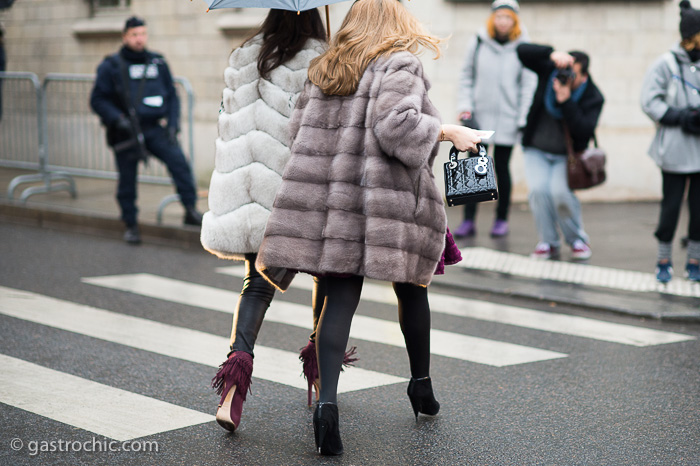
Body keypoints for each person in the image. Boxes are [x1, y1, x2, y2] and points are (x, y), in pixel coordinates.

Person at [255, 0, 479, 455]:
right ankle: (421, 386)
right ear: (395, 21)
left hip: (336, 207)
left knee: (339, 299)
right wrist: (448, 131)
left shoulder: (327, 66)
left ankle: (327, 410)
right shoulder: (400, 62)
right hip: (385, 204)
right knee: (413, 287)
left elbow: (297, 132)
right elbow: (396, 128)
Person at [202, 8, 357, 433]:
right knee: (326, 278)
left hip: (249, 197)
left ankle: (231, 391)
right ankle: (322, 376)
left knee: (257, 286)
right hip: (298, 193)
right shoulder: (323, 60)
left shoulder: (243, 56)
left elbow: (226, 122)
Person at [90, 16, 202, 245]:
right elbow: (98, 99)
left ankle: (190, 210)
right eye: (134, 34)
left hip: (154, 128)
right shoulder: (111, 65)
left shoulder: (157, 62)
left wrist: (172, 125)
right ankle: (130, 224)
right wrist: (117, 119)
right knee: (127, 180)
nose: (139, 39)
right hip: (127, 131)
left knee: (179, 163)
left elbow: (172, 96)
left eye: (142, 34)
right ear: (125, 36)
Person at [455, 0, 536, 238]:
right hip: (479, 119)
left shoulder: (523, 47)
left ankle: (501, 219)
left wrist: (522, 117)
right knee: (474, 168)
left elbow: (528, 85)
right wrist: (465, 108)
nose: (503, 21)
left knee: (502, 168)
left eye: (508, 18)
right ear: (493, 19)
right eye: (499, 17)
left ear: (515, 21)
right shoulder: (479, 42)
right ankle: (468, 221)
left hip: (509, 120)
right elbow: (466, 76)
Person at [516, 42, 604, 260]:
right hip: (536, 148)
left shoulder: (593, 96)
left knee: (560, 194)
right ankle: (548, 242)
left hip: (567, 156)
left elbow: (583, 132)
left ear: (584, 76)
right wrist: (552, 54)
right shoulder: (550, 73)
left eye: (572, 75)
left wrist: (566, 102)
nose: (566, 77)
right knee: (538, 191)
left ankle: (576, 240)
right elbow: (522, 52)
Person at [641, 0, 700, 283]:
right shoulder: (665, 63)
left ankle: (695, 261)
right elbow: (649, 100)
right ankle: (663, 259)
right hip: (675, 149)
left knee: (699, 210)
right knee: (671, 208)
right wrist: (678, 116)